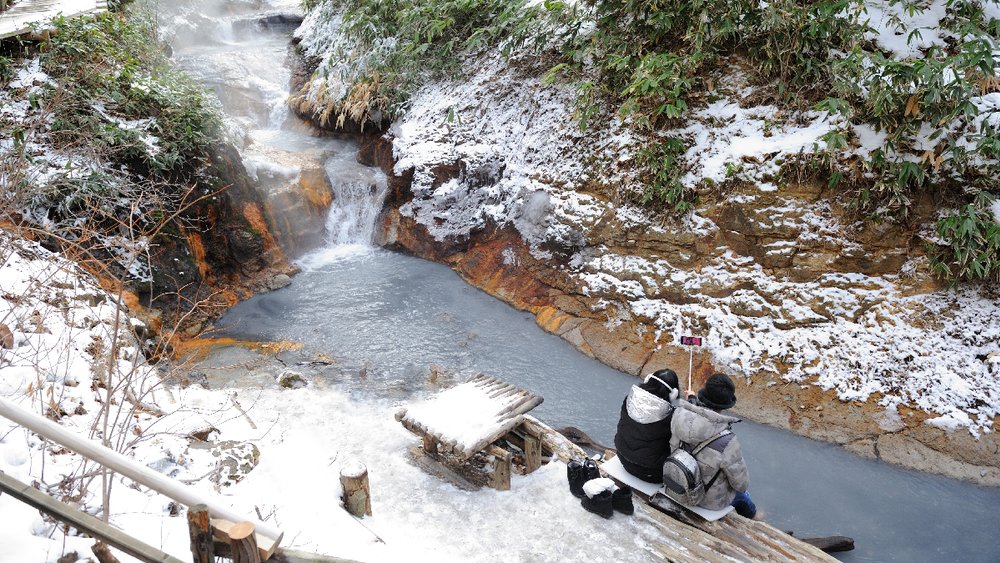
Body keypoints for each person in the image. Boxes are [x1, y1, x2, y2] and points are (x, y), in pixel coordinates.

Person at [671, 372, 757, 519]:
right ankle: (756, 520)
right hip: (707, 502)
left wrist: (692, 400)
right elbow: (741, 484)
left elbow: (699, 419)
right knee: (744, 495)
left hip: (676, 484)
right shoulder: (728, 441)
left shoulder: (678, 414)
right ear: (726, 403)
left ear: (704, 395)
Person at [613, 369, 681, 483]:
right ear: (673, 393)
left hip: (623, 459)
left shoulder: (629, 399)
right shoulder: (672, 416)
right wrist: (692, 403)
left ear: (648, 380)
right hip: (652, 474)